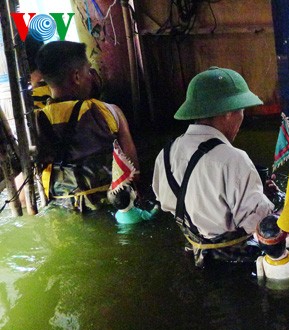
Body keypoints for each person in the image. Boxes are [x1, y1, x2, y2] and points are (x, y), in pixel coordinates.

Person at [152, 66, 276, 267]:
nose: (242, 118)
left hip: (193, 254)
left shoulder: (165, 154)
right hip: (233, 264)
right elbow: (257, 224)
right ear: (228, 112)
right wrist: (269, 203)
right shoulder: (233, 159)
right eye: (241, 110)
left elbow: (164, 200)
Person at [34, 40, 138, 212]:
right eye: (87, 70)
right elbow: (133, 170)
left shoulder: (37, 121)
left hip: (63, 209)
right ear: (76, 77)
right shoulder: (109, 112)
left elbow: (28, 183)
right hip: (113, 206)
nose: (91, 76)